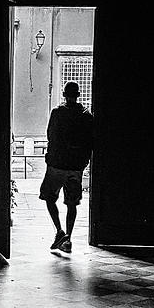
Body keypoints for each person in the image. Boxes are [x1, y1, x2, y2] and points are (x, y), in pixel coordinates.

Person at [39, 80, 94, 252]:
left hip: (57, 164)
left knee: (49, 197)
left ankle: (59, 231)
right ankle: (68, 239)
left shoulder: (57, 113)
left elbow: (51, 135)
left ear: (64, 95)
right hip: (75, 167)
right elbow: (90, 142)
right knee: (72, 203)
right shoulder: (86, 116)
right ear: (78, 95)